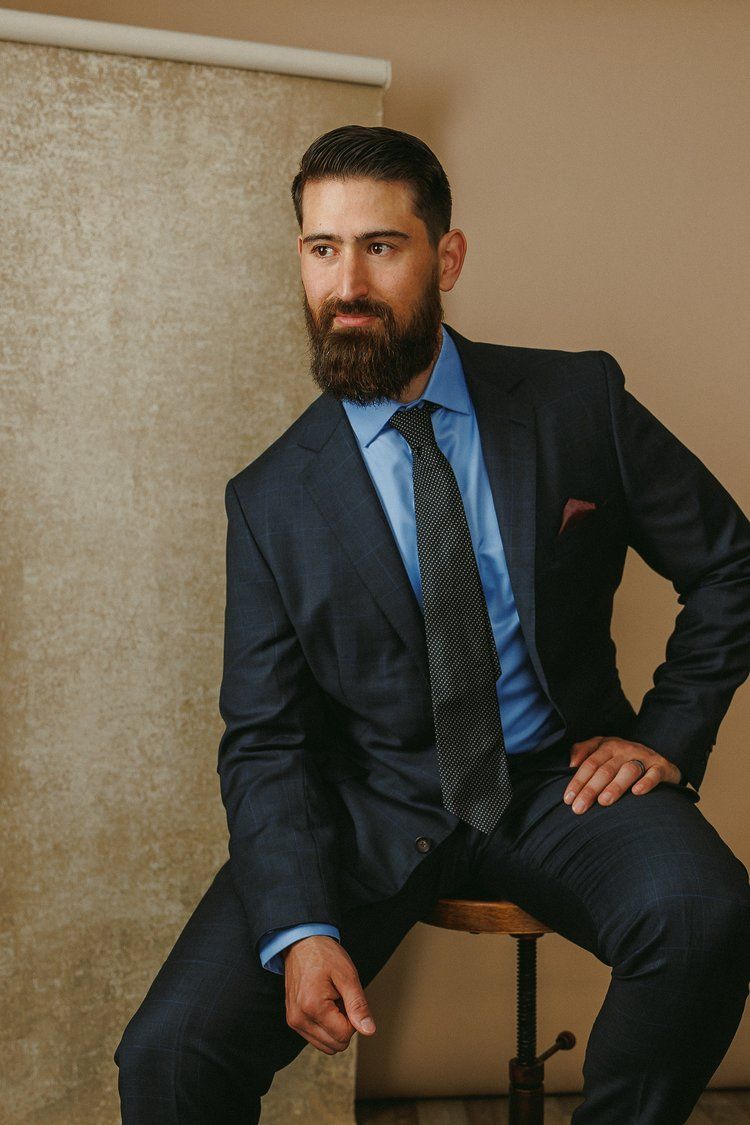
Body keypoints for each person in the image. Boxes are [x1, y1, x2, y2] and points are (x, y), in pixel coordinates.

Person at [114, 125, 750, 1124]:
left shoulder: (576, 399)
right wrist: (298, 926)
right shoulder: (270, 499)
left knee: (705, 917)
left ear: (445, 257)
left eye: (381, 245)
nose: (348, 282)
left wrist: (667, 735)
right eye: (323, 250)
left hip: (557, 782)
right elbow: (267, 738)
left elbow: (731, 564)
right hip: (367, 807)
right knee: (169, 1055)